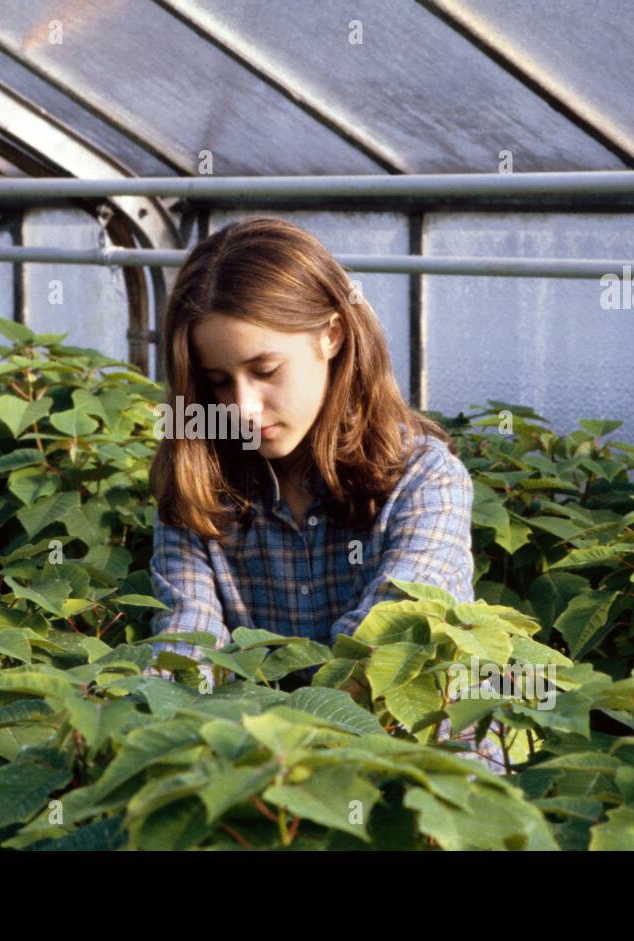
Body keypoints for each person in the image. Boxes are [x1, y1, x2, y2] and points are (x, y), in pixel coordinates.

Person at [143, 216, 506, 774]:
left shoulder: (425, 479)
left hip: (426, 771)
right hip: (258, 777)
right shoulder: (199, 487)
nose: (242, 407)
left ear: (331, 335)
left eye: (265, 369)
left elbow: (381, 648)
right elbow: (187, 641)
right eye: (218, 380)